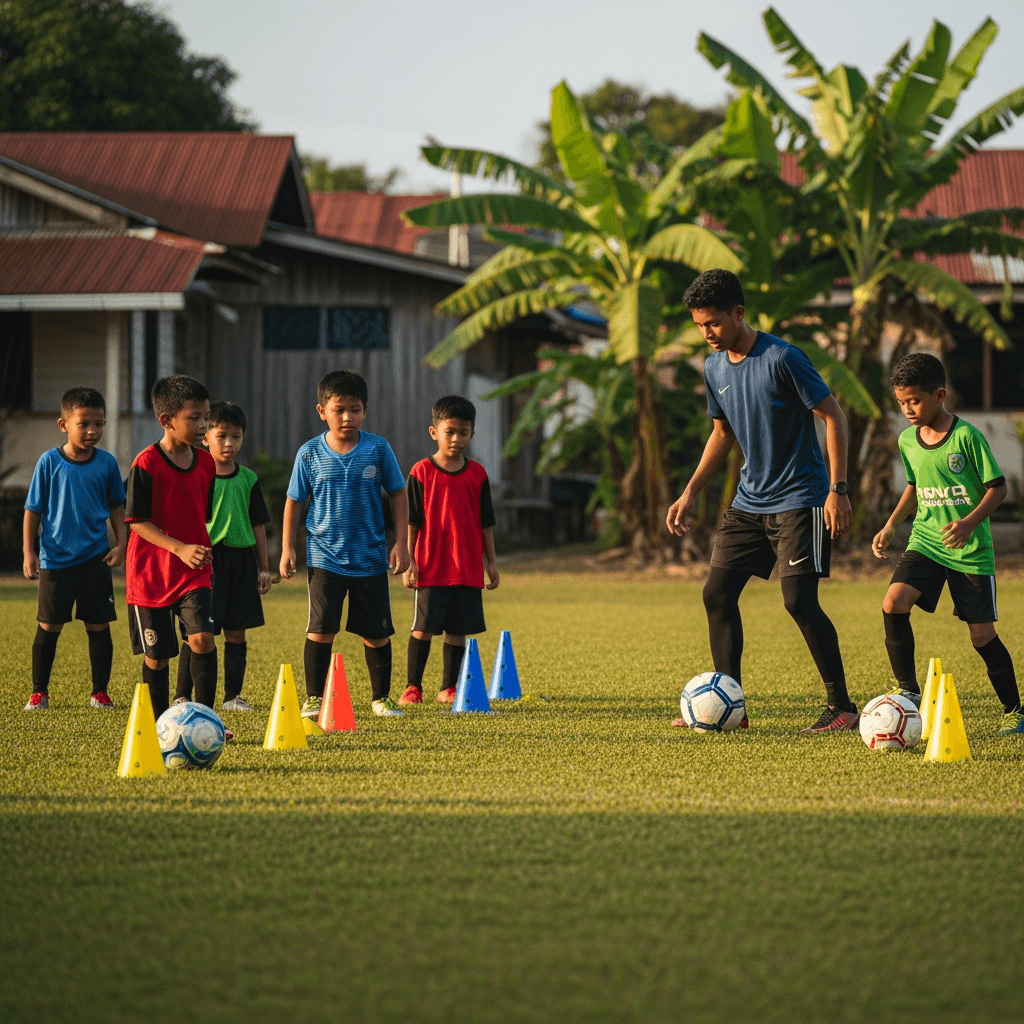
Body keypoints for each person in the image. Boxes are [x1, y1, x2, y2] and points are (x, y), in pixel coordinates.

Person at [666, 268, 857, 732]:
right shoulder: (713, 368)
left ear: (739, 313)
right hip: (750, 500)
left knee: (798, 601)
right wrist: (691, 490)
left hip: (802, 496)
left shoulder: (783, 357)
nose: (706, 333)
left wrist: (838, 489)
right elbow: (722, 433)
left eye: (713, 322)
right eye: (699, 325)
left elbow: (833, 416)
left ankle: (843, 708)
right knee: (716, 592)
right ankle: (730, 705)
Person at [872, 352, 1022, 734]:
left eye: (915, 401)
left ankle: (1015, 710)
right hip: (926, 539)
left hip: (968, 550)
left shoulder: (966, 436)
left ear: (939, 395)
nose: (907, 409)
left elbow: (998, 488)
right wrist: (891, 525)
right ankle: (908, 691)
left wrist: (970, 523)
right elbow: (914, 486)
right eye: (901, 402)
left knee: (981, 634)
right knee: (893, 601)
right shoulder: (908, 440)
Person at [279, 369, 409, 718]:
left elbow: (398, 493)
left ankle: (381, 698)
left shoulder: (378, 449)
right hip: (325, 557)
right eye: (339, 409)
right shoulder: (308, 454)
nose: (347, 417)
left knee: (376, 634)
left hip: (369, 557)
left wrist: (402, 543)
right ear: (322, 411)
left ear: (365, 410)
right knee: (321, 630)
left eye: (355, 409)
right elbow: (294, 500)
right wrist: (288, 547)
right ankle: (314, 699)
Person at [22, 387, 126, 710]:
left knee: (98, 625)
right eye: (84, 424)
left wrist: (122, 544)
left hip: (95, 558)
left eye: (99, 424)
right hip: (55, 560)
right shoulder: (49, 462)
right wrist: (29, 551)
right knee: (49, 626)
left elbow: (117, 508)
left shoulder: (107, 464)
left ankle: (100, 692)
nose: (93, 431)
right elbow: (32, 510)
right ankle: (39, 692)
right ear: (63, 424)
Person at [124, 375, 218, 721]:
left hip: (193, 572)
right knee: (158, 656)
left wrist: (195, 551)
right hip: (150, 576)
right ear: (167, 420)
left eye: (206, 417)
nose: (203, 425)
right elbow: (136, 521)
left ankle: (208, 722)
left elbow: (198, 515)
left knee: (202, 639)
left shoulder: (207, 463)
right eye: (194, 417)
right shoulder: (145, 464)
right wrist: (179, 548)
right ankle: (159, 727)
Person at [398, 395, 500, 706]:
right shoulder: (421, 472)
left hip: (467, 568)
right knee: (423, 628)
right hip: (431, 566)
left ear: (472, 434)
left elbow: (486, 524)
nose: (456, 439)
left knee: (458, 631)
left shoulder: (478, 475)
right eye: (450, 431)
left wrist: (491, 564)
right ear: (434, 432)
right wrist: (410, 561)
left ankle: (449, 687)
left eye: (464, 432)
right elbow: (412, 521)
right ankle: (413, 688)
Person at [174, 402, 273, 711]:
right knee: (197, 632)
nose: (229, 443)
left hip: (242, 563)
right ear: (206, 437)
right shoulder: (197, 474)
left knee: (236, 632)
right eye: (222, 436)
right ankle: (181, 695)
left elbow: (258, 525)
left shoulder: (248, 479)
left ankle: (232, 697)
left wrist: (264, 568)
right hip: (205, 560)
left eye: (237, 436)